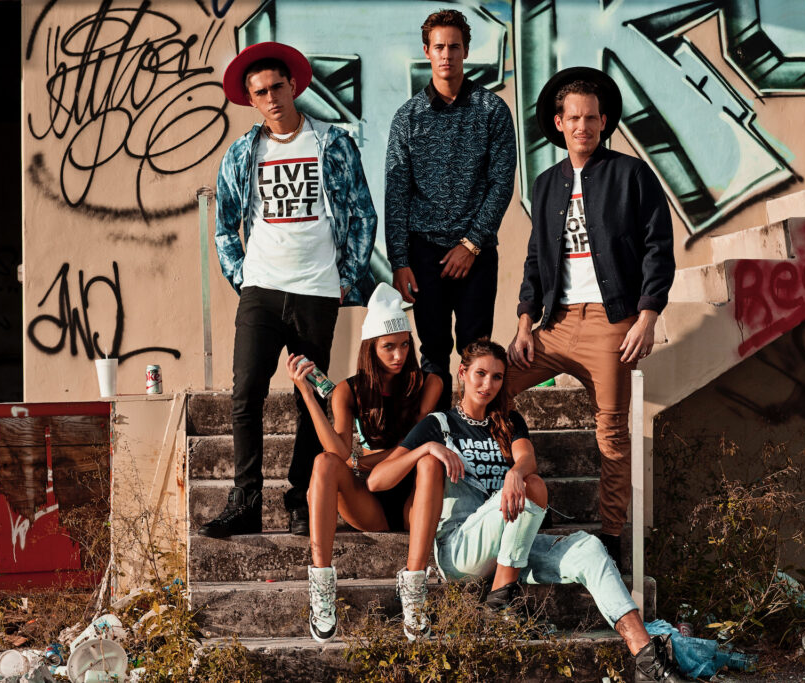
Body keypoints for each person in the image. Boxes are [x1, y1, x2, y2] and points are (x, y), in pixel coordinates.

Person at [369, 340, 686, 682]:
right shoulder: (440, 424)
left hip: (512, 547)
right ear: (462, 373)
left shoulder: (508, 421)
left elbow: (527, 459)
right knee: (506, 481)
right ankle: (466, 594)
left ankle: (646, 658)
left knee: (589, 549)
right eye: (480, 374)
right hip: (462, 549)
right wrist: (427, 448)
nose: (487, 384)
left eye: (496, 377)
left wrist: (515, 473)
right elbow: (376, 480)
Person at [200, 42, 377, 539]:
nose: (272, 98)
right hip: (261, 289)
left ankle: (302, 500)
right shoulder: (242, 153)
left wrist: (344, 280)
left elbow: (363, 213)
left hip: (317, 293)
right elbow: (224, 227)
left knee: (311, 400)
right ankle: (246, 501)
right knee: (245, 394)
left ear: (294, 86)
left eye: (278, 87)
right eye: (260, 92)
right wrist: (242, 280)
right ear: (250, 99)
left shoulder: (332, 143)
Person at [506, 67, 675, 567]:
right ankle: (519, 495)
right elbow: (535, 258)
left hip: (611, 321)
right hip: (556, 325)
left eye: (592, 118)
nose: (583, 126)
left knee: (612, 434)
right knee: (489, 391)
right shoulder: (546, 184)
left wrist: (646, 316)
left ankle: (612, 536)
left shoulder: (631, 175)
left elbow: (658, 247)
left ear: (604, 123)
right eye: (574, 118)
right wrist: (524, 323)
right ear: (559, 123)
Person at [285, 283, 443, 642]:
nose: (399, 355)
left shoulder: (429, 383)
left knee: (429, 462)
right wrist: (309, 395)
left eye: (405, 345)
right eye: (389, 347)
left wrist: (366, 460)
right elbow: (339, 453)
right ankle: (322, 589)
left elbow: (417, 443)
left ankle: (414, 592)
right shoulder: (348, 390)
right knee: (323, 463)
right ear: (371, 347)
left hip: (413, 499)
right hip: (368, 503)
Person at [385, 9, 517, 409]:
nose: (447, 55)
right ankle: (437, 432)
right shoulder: (407, 118)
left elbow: (501, 183)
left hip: (477, 254)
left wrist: (471, 244)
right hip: (424, 253)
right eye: (439, 47)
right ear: (427, 51)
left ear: (466, 51)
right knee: (433, 351)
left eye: (454, 47)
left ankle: (479, 430)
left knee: (478, 351)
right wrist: (399, 261)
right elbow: (396, 193)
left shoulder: (492, 110)